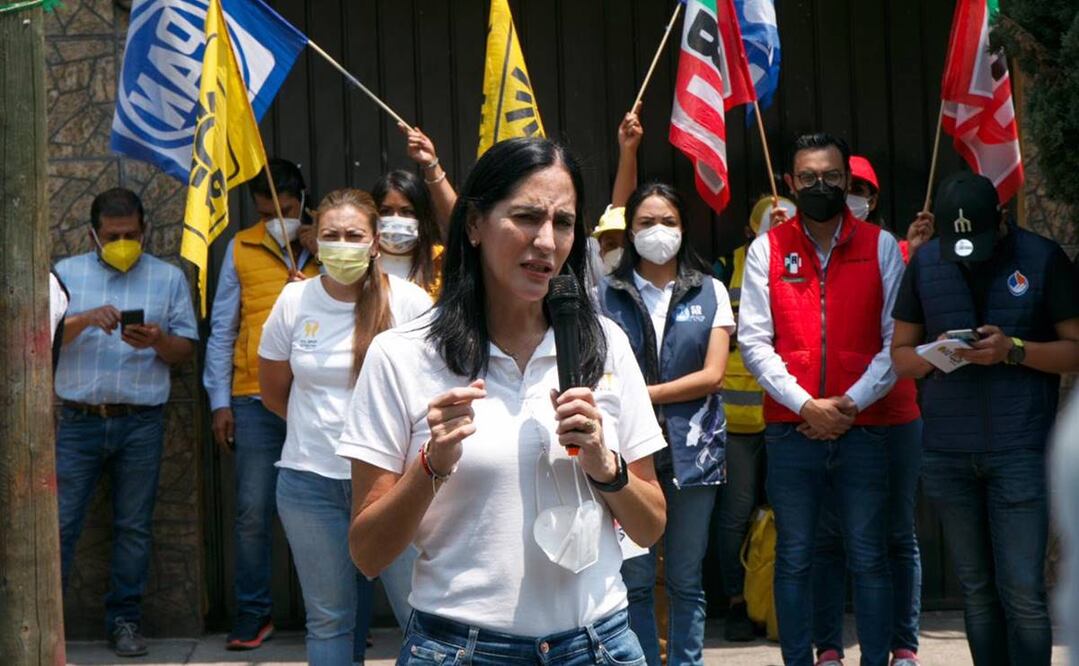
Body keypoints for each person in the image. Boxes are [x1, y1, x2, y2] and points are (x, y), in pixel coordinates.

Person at [338, 137, 667, 665]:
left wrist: (608, 467)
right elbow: (368, 552)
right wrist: (431, 466)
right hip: (458, 649)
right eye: (526, 217)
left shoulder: (605, 344)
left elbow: (650, 526)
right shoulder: (400, 355)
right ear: (473, 225)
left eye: (563, 223)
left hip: (599, 645)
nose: (545, 241)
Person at [739, 133, 918, 666]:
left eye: (832, 177)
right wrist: (806, 406)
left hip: (864, 428)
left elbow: (896, 340)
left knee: (869, 555)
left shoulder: (881, 246)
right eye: (810, 178)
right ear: (791, 183)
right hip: (792, 430)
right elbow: (754, 341)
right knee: (796, 555)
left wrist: (849, 405)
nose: (822, 186)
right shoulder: (766, 249)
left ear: (847, 180)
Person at [891, 172, 1079, 666]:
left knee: (1022, 592)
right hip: (948, 452)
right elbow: (902, 358)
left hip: (1020, 448)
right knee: (976, 591)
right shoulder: (927, 262)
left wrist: (1013, 350)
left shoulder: (1041, 258)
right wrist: (941, 354)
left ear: (1000, 221)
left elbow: (1074, 351)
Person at [258, 189, 431, 665]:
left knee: (421, 618)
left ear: (375, 242)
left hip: (395, 486)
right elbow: (274, 392)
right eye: (330, 235)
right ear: (313, 241)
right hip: (310, 484)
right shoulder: (294, 300)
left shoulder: (411, 302)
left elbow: (434, 386)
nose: (342, 244)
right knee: (330, 620)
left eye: (353, 235)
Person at [54, 187, 198, 657]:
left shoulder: (168, 277)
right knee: (61, 523)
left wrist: (156, 340)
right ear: (94, 235)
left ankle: (125, 623)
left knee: (134, 527)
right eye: (113, 235)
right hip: (78, 421)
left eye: (131, 235)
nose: (123, 242)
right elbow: (40, 337)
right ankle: (45, 625)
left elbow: (184, 351)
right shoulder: (65, 275)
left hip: (141, 422)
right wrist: (82, 319)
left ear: (145, 231)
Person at [604, 182, 735, 666]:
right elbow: (601, 372)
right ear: (629, 230)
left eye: (668, 222)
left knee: (685, 578)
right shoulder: (606, 293)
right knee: (635, 579)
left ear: (684, 229)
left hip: (693, 451)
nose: (657, 231)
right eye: (645, 222)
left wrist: (642, 394)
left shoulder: (710, 289)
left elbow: (713, 375)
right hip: (628, 453)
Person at [809, 153, 925, 666]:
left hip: (894, 414)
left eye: (860, 188)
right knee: (828, 539)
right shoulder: (810, 249)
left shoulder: (896, 251)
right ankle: (829, 646)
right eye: (843, 183)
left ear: (873, 200)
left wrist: (920, 259)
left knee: (898, 535)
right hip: (834, 417)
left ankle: (903, 645)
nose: (850, 193)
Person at [202, 159, 320, 649]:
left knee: (332, 507)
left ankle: (335, 618)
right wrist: (218, 400)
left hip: (319, 396)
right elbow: (223, 327)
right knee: (252, 511)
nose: (278, 219)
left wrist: (323, 252)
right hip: (253, 398)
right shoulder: (240, 247)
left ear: (304, 201)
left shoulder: (331, 245)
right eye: (268, 210)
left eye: (288, 210)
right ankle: (253, 614)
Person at [711, 194, 794, 643]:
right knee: (736, 515)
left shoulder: (803, 266)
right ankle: (737, 604)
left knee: (791, 512)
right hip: (736, 419)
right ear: (750, 230)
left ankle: (782, 605)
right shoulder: (726, 268)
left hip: (789, 413)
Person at [846, 155, 934, 262]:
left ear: (872, 202)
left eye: (857, 190)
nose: (848, 196)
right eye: (844, 189)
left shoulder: (897, 250)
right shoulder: (822, 250)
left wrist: (914, 253)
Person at [371, 169, 444, 297]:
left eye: (407, 212)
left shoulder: (441, 260)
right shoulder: (360, 263)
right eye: (385, 211)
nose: (396, 219)